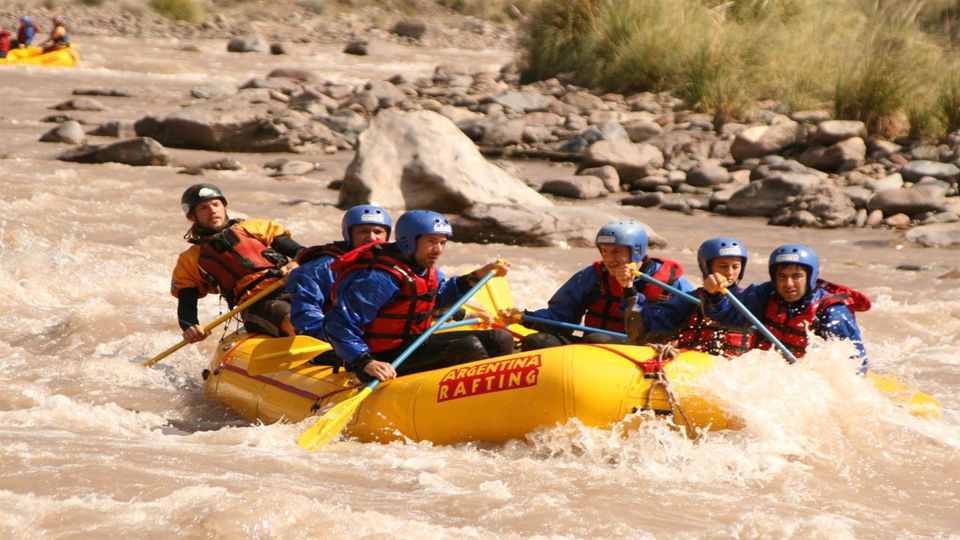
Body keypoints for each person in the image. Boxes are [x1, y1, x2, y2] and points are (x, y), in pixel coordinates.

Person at [323, 210, 515, 382]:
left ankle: (505, 389)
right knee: (469, 347)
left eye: (442, 242)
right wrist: (366, 361)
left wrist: (477, 275)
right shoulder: (379, 278)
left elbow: (438, 299)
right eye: (431, 242)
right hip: (379, 359)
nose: (438, 249)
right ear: (409, 241)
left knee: (500, 338)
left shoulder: (424, 270)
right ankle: (482, 395)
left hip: (414, 345)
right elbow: (338, 324)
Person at [501, 220, 696, 351]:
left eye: (616, 252)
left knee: (597, 340)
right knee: (536, 342)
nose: (608, 259)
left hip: (646, 351)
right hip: (596, 350)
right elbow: (561, 317)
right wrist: (524, 316)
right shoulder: (593, 276)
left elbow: (641, 332)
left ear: (636, 252)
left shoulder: (670, 282)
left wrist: (629, 289)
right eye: (604, 251)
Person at [701, 244, 871, 372]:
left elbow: (854, 364)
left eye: (796, 276)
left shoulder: (831, 311)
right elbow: (726, 316)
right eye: (782, 276)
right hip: (767, 373)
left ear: (810, 277)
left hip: (805, 379)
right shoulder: (766, 294)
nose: (788, 284)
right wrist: (714, 294)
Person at [171, 184, 304, 343]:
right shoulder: (191, 259)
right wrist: (190, 327)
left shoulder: (254, 228)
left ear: (224, 207)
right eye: (203, 208)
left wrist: (296, 262)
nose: (212, 210)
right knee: (296, 320)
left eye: (216, 204)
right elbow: (186, 302)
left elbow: (301, 251)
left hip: (290, 285)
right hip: (257, 304)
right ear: (193, 217)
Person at [624, 237, 756, 357]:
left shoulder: (750, 299)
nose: (729, 272)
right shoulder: (689, 300)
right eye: (723, 266)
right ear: (707, 268)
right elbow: (645, 328)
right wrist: (629, 290)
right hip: (691, 362)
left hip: (734, 367)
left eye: (735, 266)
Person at [286, 205, 392, 341]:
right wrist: (338, 343)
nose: (371, 238)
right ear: (348, 235)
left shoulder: (395, 266)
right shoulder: (322, 267)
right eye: (363, 232)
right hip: (334, 336)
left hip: (375, 336)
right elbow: (307, 312)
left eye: (378, 232)